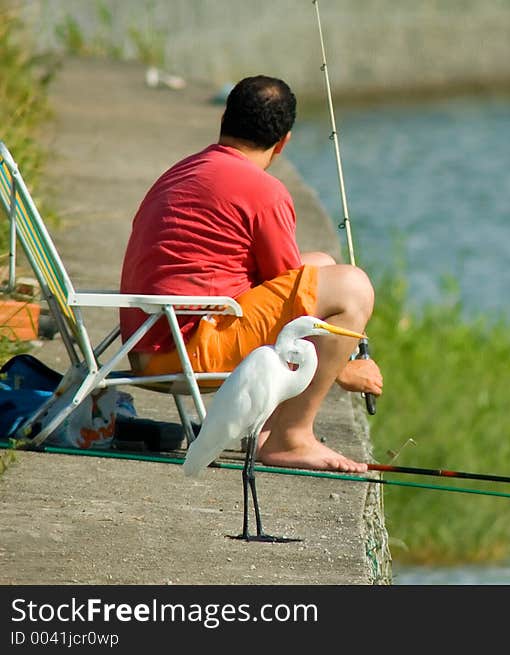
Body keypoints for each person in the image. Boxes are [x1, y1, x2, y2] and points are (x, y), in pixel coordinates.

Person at [119, 74, 382, 473]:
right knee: (352, 288)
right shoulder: (264, 191)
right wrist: (344, 368)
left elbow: (288, 282)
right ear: (284, 142)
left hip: (150, 340)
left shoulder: (188, 168)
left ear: (225, 119)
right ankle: (290, 439)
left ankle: (265, 428)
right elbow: (295, 306)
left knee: (323, 265)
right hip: (182, 348)